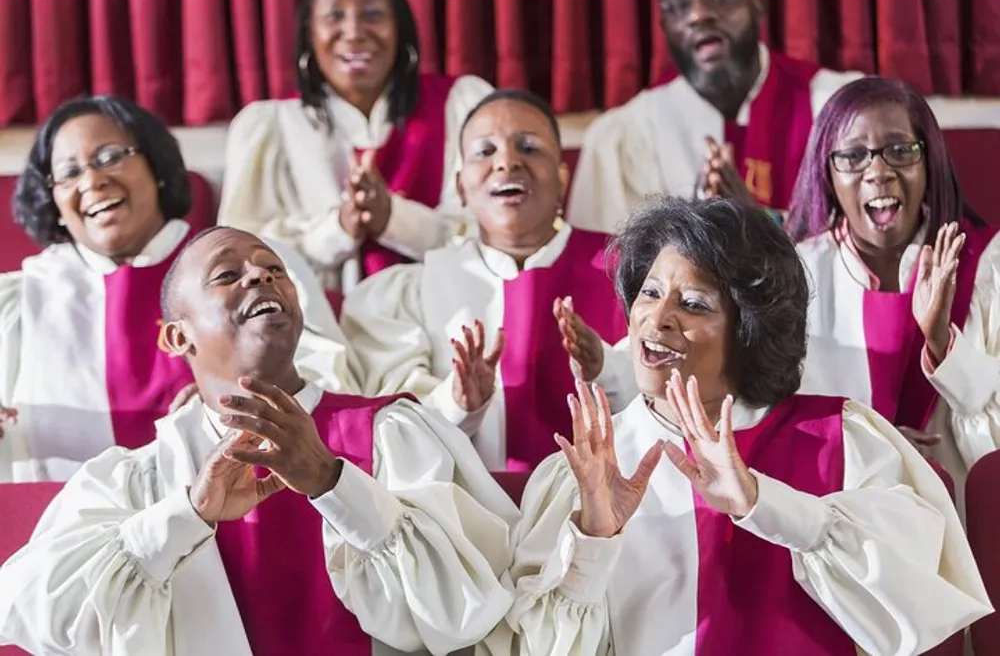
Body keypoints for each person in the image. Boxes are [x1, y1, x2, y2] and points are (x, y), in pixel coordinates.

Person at [489, 196, 991, 656]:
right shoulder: (587, 469)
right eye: (650, 292)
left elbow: (919, 599)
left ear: (751, 329)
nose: (656, 319)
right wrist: (593, 539)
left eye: (693, 304)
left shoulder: (841, 437)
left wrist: (763, 503)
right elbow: (535, 644)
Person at [0, 225, 520, 656]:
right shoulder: (137, 479)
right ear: (176, 337)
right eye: (228, 274)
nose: (260, 276)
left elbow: (470, 607)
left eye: (275, 270)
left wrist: (333, 482)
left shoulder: (392, 432)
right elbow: (32, 607)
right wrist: (183, 517)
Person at [0, 95, 359, 483]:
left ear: (155, 164)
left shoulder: (253, 266)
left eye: (109, 157)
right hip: (78, 528)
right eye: (68, 172)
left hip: (245, 506)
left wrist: (246, 397)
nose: (92, 181)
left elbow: (331, 382)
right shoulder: (18, 304)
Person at [340, 89, 628, 471]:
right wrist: (460, 403)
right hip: (468, 524)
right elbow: (391, 439)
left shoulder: (627, 271)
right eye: (484, 151)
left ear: (562, 178)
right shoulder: (415, 292)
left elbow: (671, 403)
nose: (507, 162)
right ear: (460, 186)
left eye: (529, 147)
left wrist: (606, 368)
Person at [787, 76, 1000, 504]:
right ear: (827, 172)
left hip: (963, 519)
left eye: (901, 150)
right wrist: (870, 449)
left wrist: (943, 343)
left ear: (929, 162)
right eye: (852, 156)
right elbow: (771, 424)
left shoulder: (989, 262)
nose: (879, 171)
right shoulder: (796, 274)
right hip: (846, 523)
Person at [219, 0, 494, 293]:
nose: (353, 32)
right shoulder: (272, 127)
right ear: (310, 32)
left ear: (400, 27)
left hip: (454, 318)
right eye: (334, 16)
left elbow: (497, 235)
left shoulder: (463, 106)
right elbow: (239, 260)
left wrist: (395, 219)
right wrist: (337, 228)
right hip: (319, 332)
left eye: (373, 14)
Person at [568, 0, 860, 232]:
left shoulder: (839, 107)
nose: (698, 14)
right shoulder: (629, 134)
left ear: (756, 4)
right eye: (679, 5)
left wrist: (758, 223)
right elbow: (611, 276)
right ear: (664, 27)